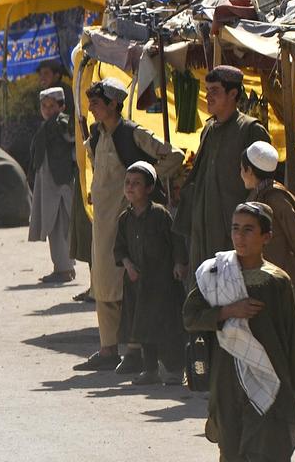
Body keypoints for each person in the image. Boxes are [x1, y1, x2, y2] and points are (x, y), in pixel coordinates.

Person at [183, 202, 295, 462]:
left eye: (249, 230)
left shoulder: (277, 280)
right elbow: (190, 317)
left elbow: (292, 336)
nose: (240, 236)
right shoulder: (216, 273)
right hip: (227, 378)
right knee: (231, 449)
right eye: (236, 228)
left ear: (266, 237)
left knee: (266, 447)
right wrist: (227, 311)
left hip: (269, 377)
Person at [73, 77, 183, 373]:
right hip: (102, 222)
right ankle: (108, 348)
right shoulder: (95, 136)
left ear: (113, 104)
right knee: (103, 284)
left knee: (131, 287)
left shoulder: (132, 134)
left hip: (130, 225)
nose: (93, 107)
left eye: (97, 102)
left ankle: (134, 352)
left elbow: (174, 156)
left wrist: (146, 182)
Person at [176, 65, 272, 277]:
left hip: (235, 238)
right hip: (203, 234)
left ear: (233, 93)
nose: (208, 96)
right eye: (207, 90)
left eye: (215, 91)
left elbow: (264, 190)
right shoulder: (208, 130)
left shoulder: (251, 130)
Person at [114, 161, 187, 385]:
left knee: (166, 327)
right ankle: (150, 370)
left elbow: (176, 241)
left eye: (136, 183)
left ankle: (175, 371)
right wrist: (127, 265)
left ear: (148, 188)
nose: (130, 187)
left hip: (162, 281)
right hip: (138, 283)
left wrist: (179, 264)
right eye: (128, 183)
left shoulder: (160, 215)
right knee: (143, 327)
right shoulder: (125, 219)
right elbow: (120, 248)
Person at [242, 140, 295, 360]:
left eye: (242, 169)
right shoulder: (257, 197)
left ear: (249, 170)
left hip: (283, 277)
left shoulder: (276, 199)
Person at [28, 86, 76, 284]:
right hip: (49, 183)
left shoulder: (61, 123)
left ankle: (64, 270)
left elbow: (72, 139)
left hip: (60, 184)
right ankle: (64, 267)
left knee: (61, 226)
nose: (48, 110)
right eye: (44, 106)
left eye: (52, 106)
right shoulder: (47, 125)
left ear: (62, 106)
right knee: (55, 226)